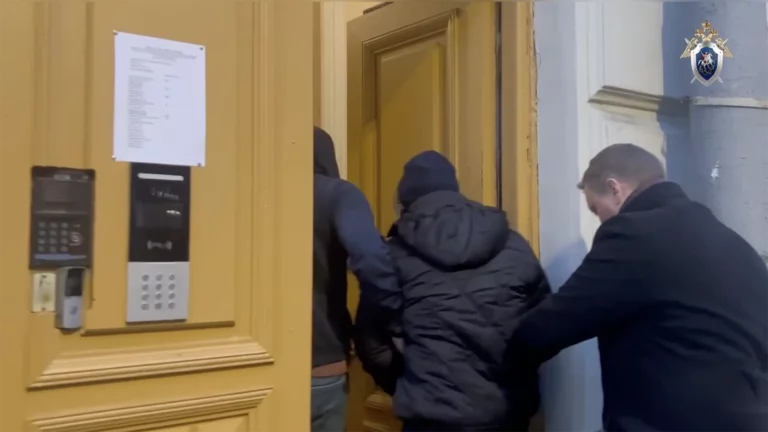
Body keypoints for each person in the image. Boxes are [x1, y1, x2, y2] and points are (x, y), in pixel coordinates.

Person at [509, 143, 768, 432]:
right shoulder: (737, 246)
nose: (599, 220)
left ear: (615, 188)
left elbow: (550, 325)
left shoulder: (633, 234)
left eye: (596, 209)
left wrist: (497, 346)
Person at [355, 150, 550, 432]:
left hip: (432, 416)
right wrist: (514, 376)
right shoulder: (513, 243)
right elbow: (544, 325)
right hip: (508, 413)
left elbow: (372, 342)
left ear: (405, 203)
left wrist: (407, 382)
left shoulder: (392, 257)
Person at [311, 126, 401, 432]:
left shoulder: (253, 196)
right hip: (322, 361)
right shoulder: (338, 195)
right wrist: (396, 322)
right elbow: (373, 261)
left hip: (253, 366)